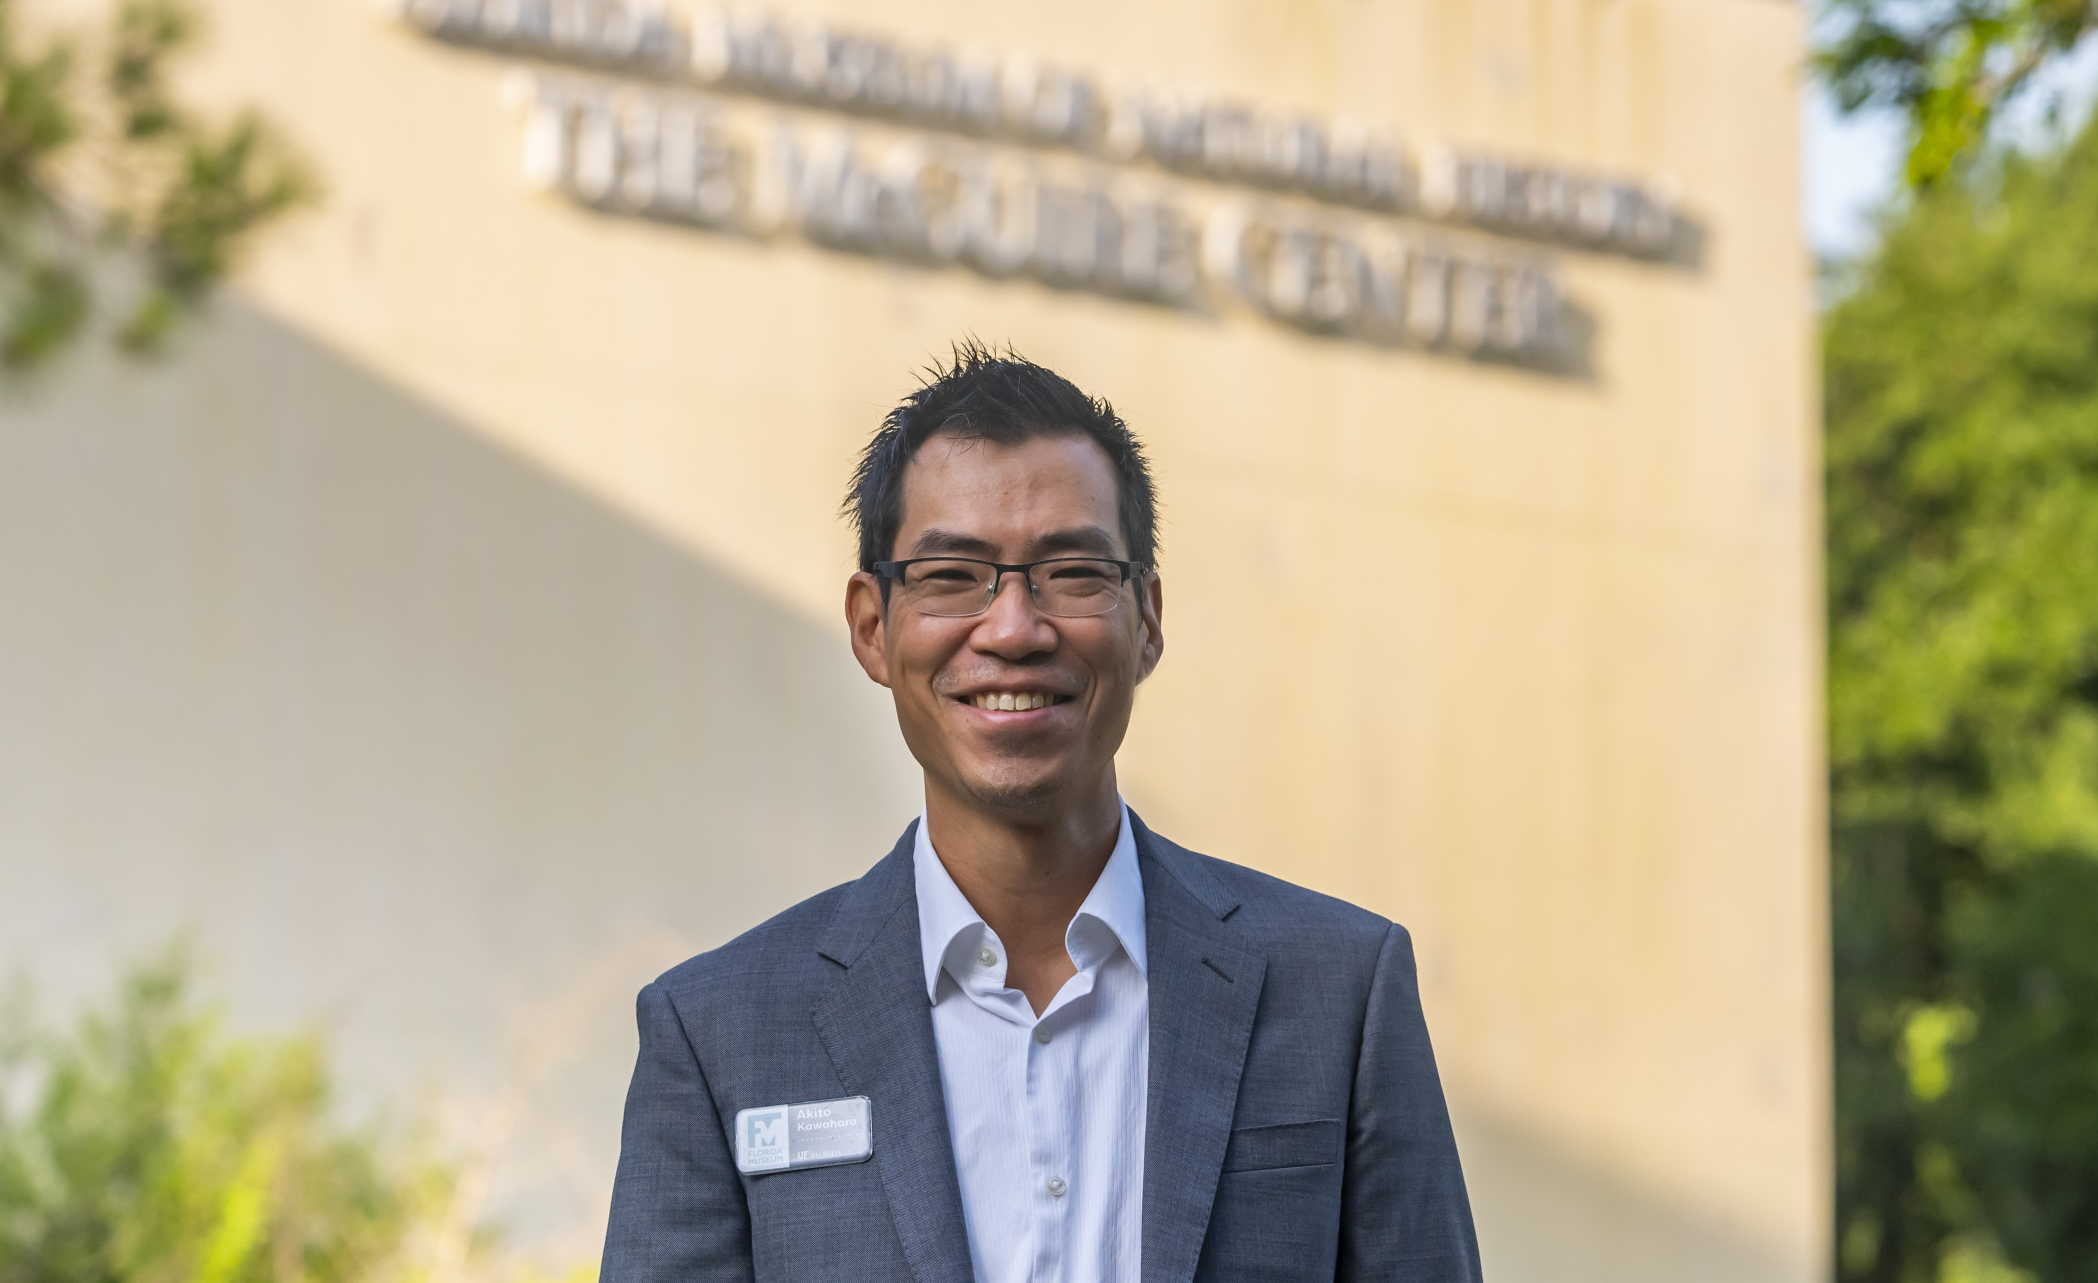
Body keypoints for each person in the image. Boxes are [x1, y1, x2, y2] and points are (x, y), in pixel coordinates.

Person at [600, 342, 1482, 1282]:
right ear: (871, 626)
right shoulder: (719, 1031)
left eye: (1071, 572)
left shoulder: (1339, 992)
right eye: (951, 576)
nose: (1015, 628)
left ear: (1146, 619)